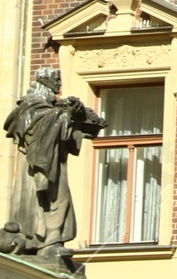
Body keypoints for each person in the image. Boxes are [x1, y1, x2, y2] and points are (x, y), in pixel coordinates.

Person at [0, 67, 103, 268]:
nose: (58, 84)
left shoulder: (48, 107)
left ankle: (51, 241)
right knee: (48, 202)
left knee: (59, 201)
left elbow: (59, 127)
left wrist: (77, 120)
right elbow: (35, 128)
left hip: (53, 163)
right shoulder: (31, 105)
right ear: (44, 80)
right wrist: (66, 115)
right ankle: (44, 243)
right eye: (55, 80)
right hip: (36, 168)